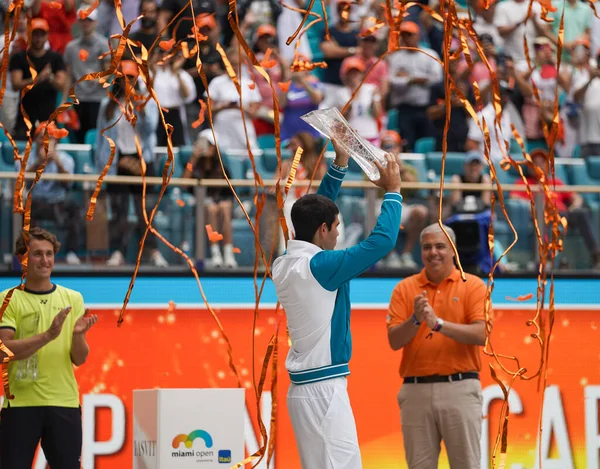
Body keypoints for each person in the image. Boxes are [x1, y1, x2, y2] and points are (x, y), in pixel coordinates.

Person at [273, 140, 402, 469]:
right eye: (336, 228)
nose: (337, 235)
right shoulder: (323, 268)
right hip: (324, 391)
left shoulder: (285, 263)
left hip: (304, 391)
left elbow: (314, 212)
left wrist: (339, 165)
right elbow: (382, 241)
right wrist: (393, 191)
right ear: (323, 230)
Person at [386, 223, 488, 469]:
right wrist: (416, 320)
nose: (434, 252)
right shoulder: (405, 288)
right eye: (427, 247)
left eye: (440, 246)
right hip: (416, 391)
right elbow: (394, 341)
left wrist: (438, 324)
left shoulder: (473, 285)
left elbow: (482, 334)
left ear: (453, 250)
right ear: (420, 252)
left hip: (460, 388)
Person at [0, 227, 98, 469]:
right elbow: (4, 352)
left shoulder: (72, 298)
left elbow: (80, 358)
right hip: (20, 405)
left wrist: (77, 336)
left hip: (64, 403)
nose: (44, 260)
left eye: (49, 254)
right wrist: (48, 335)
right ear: (23, 258)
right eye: (37, 254)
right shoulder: (9, 298)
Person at [95, 60, 168, 267]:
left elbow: (150, 130)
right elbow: (101, 138)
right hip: (116, 161)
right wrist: (100, 168)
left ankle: (152, 251)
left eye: (131, 78)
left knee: (145, 210)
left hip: (141, 160)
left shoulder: (147, 102)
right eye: (123, 78)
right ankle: (117, 251)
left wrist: (140, 107)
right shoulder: (107, 104)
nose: (127, 82)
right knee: (119, 210)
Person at [18, 122, 83, 265]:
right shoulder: (25, 157)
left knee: (74, 206)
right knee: (22, 207)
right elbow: (21, 183)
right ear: (35, 140)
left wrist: (58, 163)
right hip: (35, 201)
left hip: (57, 202)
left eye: (50, 138)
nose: (46, 142)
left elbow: (68, 185)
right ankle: (25, 252)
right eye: (42, 137)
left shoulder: (66, 159)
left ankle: (72, 252)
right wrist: (39, 162)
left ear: (56, 142)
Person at [182, 129, 237, 268]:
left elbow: (229, 195)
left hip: (221, 205)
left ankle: (228, 254)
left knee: (224, 208)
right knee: (211, 209)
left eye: (210, 145)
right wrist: (193, 158)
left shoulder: (223, 169)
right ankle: (215, 253)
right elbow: (183, 183)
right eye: (204, 144)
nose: (207, 148)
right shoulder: (193, 166)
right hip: (200, 206)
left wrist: (225, 204)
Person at [9, 18, 67, 140]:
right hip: (25, 117)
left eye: (42, 35)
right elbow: (16, 84)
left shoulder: (56, 58)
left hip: (48, 116)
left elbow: (62, 85)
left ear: (47, 36)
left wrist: (50, 77)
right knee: (22, 152)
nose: (38, 38)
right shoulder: (20, 58)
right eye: (35, 34)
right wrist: (37, 79)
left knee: (48, 151)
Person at [63, 7, 110, 143]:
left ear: (95, 22)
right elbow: (68, 75)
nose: (86, 23)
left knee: (96, 136)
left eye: (89, 20)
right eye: (83, 20)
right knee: (77, 137)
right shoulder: (71, 47)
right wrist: (64, 101)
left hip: (97, 98)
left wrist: (98, 78)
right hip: (78, 98)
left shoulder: (103, 45)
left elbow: (109, 71)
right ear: (78, 22)